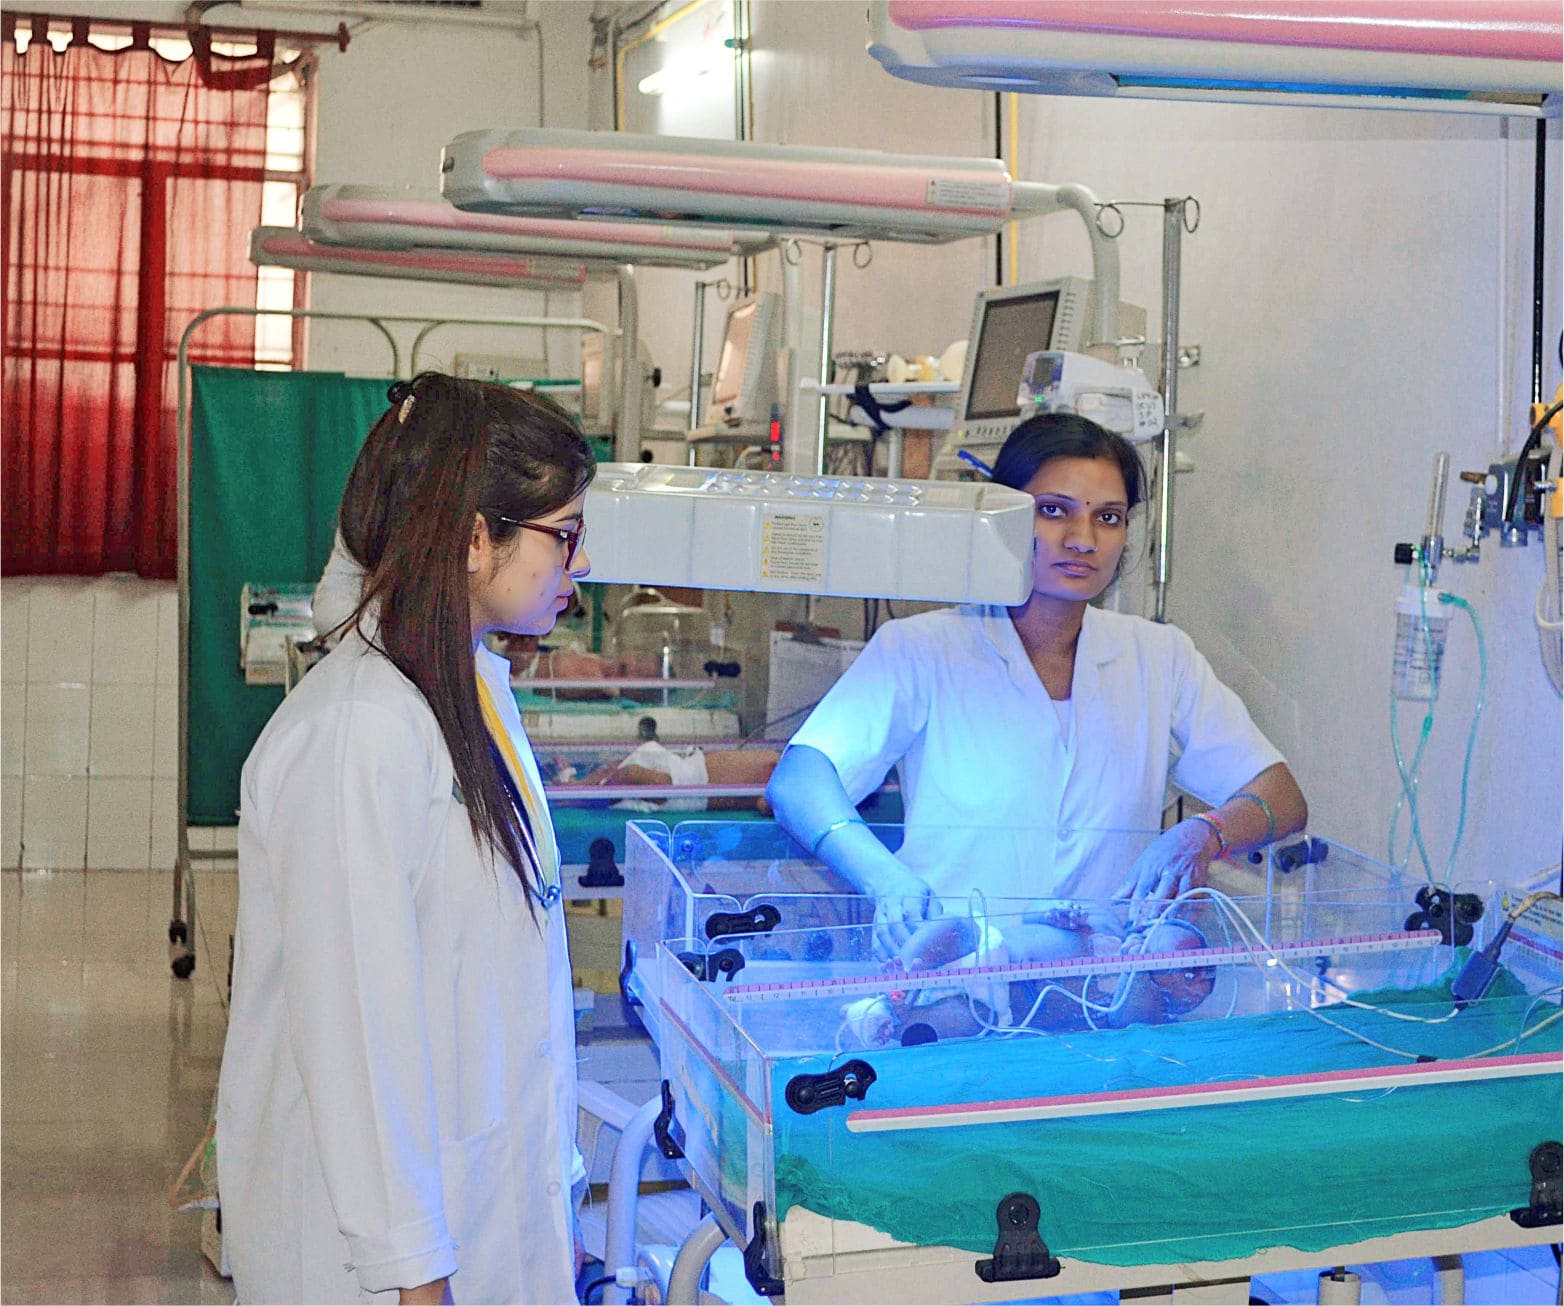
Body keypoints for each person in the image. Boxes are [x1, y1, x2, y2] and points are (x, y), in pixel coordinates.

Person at [217, 373, 596, 1305]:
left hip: (480, 1220)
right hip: (379, 1270)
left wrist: (557, 1205)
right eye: (564, 535)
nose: (579, 565)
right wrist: (416, 1279)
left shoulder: (468, 694)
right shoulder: (357, 735)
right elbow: (356, 1039)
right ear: (474, 538)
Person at [767, 412, 1307, 952]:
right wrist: (884, 879)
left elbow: (1281, 796)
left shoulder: (1160, 657)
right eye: (1053, 511)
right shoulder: (923, 648)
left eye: (1108, 517)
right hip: (953, 973)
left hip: (1101, 981)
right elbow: (798, 782)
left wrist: (1206, 833)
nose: (1083, 539)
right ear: (1002, 517)